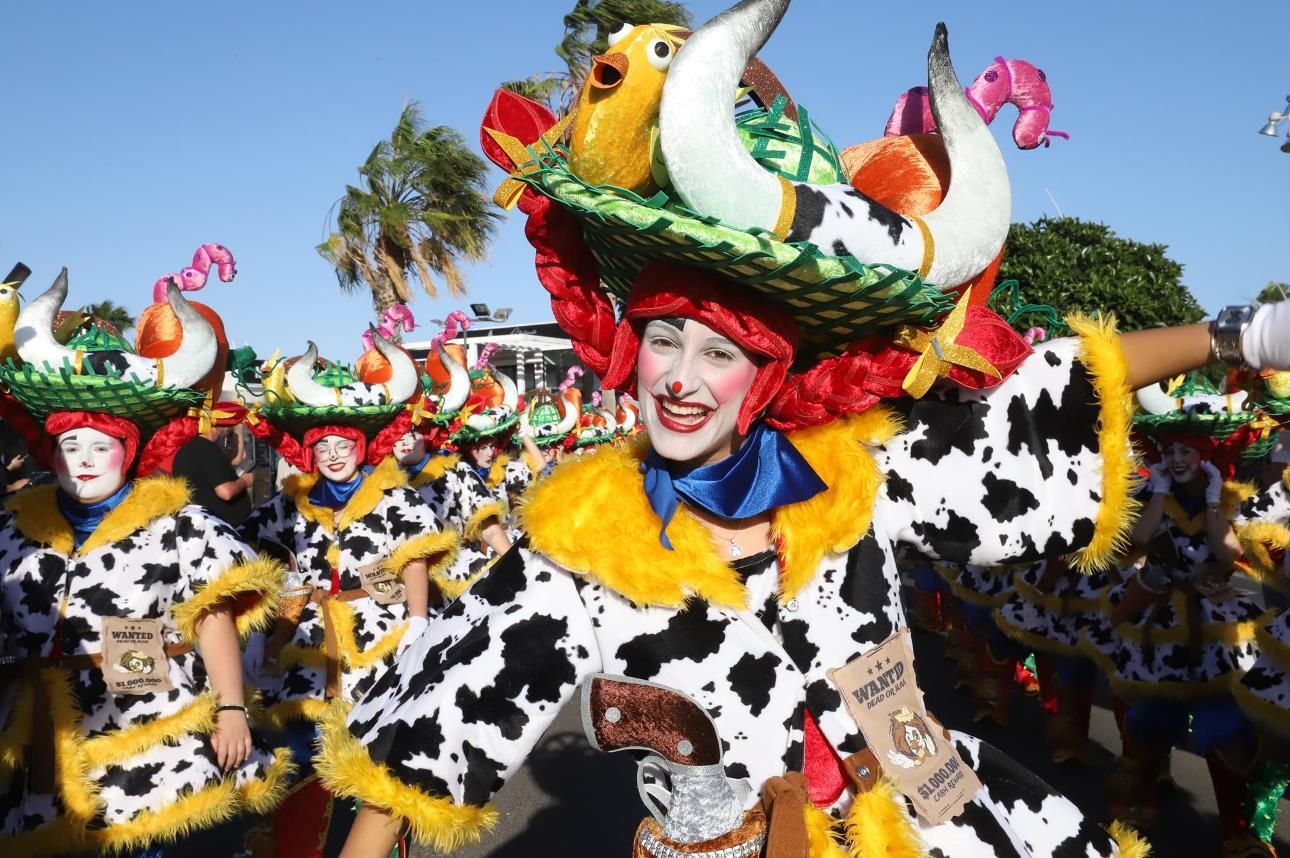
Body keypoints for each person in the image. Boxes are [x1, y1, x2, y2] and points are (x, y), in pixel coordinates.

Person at [320, 4, 1290, 855]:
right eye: (666, 342)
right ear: (628, 354)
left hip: (926, 825)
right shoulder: (580, 542)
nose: (686, 381)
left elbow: (1054, 388)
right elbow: (435, 742)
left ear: (769, 374)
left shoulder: (854, 474)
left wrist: (1232, 333)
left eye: (720, 354)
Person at [0, 272, 291, 856]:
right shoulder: (12, 526)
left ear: (129, 452)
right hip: (40, 742)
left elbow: (213, 618)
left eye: (98, 446)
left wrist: (232, 709)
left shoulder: (178, 524)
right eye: (69, 447)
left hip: (151, 731)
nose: (82, 460)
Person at [240, 335, 458, 858]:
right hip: (306, 641)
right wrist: (258, 629)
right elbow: (250, 553)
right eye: (323, 448)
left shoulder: (392, 496)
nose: (333, 456)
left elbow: (416, 557)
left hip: (377, 634)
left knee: (373, 755)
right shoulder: (287, 502)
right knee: (300, 751)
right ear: (309, 452)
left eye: (343, 447)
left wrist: (418, 620)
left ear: (359, 449)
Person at [1081, 376, 1269, 851]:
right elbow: (1141, 540)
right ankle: (1133, 811)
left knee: (1224, 728)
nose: (1177, 458)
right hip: (1157, 615)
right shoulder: (1153, 495)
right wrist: (1160, 491)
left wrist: (1210, 499)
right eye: (1171, 451)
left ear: (1206, 456)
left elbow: (1226, 557)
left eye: (1186, 450)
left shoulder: (1225, 498)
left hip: (1212, 625)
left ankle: (1237, 832)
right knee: (1147, 720)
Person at [171, 406, 255, 525]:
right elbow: (226, 492)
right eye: (228, 433)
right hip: (219, 530)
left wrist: (238, 426)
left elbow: (236, 459)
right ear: (215, 427)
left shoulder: (192, 450)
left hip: (204, 525)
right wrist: (244, 482)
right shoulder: (205, 449)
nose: (227, 437)